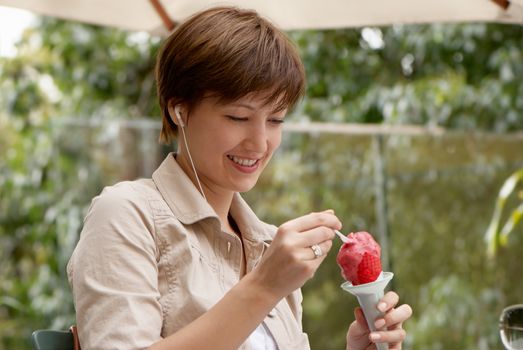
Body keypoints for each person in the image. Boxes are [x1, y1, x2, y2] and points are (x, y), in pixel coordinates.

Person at [67, 6, 412, 350]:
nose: (260, 142)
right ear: (179, 108)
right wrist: (263, 287)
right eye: (237, 117)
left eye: (276, 120)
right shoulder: (128, 215)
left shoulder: (269, 244)